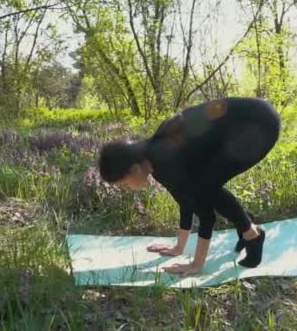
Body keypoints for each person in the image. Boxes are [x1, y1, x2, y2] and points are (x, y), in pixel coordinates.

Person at [98, 97, 281, 276]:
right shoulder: (154, 159)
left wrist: (196, 264)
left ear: (135, 169)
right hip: (241, 124)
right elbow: (185, 201)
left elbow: (206, 216)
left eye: (123, 184)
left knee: (207, 186)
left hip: (259, 122)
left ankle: (252, 234)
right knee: (205, 184)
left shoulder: (162, 161)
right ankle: (246, 228)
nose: (126, 189)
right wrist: (178, 247)